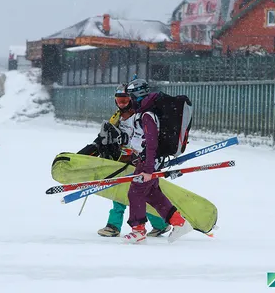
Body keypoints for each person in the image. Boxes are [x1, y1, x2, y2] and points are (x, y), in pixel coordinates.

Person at [78, 84, 171, 238]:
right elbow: (105, 136)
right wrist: (90, 152)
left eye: (125, 100)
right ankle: (122, 225)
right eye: (119, 100)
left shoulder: (139, 115)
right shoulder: (117, 117)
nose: (122, 104)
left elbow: (147, 139)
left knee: (136, 194)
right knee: (126, 193)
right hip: (121, 160)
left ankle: (152, 224)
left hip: (138, 160)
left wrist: (145, 159)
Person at [123, 78, 193, 244]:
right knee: (153, 194)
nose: (129, 101)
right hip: (148, 159)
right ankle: (179, 223)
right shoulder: (145, 113)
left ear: (137, 96)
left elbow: (152, 142)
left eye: (131, 97)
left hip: (150, 161)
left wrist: (148, 169)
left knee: (136, 192)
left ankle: (138, 230)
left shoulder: (147, 115)